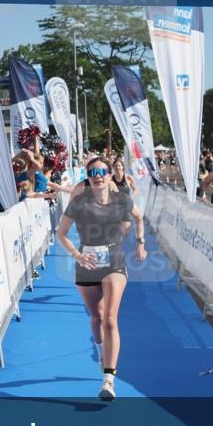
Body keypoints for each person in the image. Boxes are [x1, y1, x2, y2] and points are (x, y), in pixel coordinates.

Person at [57, 157, 147, 401]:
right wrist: (77, 255)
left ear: (109, 175)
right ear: (88, 176)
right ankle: (101, 353)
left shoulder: (121, 199)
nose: (98, 176)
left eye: (102, 172)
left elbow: (139, 217)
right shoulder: (79, 201)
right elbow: (61, 233)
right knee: (96, 317)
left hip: (114, 263)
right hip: (87, 265)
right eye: (93, 172)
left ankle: (108, 379)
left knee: (109, 318)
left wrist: (140, 243)